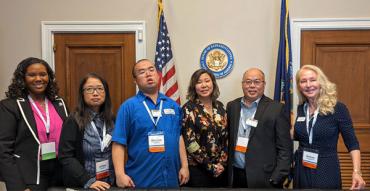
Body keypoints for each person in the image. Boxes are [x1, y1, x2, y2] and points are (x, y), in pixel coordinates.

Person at [112, 59, 189, 189]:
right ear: (135, 81)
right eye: (142, 72)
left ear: (158, 75)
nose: (148, 74)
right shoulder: (128, 107)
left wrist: (185, 166)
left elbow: (178, 136)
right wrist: (119, 174)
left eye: (151, 70)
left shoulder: (173, 105)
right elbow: (118, 142)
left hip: (172, 179)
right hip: (141, 179)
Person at [0, 57, 68, 190]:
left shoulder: (59, 103)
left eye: (43, 74)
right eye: (32, 75)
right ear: (22, 78)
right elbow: (3, 151)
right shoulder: (10, 106)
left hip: (59, 173)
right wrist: (18, 186)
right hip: (29, 175)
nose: (38, 79)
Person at [293, 65, 366, 189]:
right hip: (302, 168)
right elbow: (301, 135)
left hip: (326, 167)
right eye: (303, 81)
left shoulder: (337, 109)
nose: (308, 85)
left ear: (321, 82)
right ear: (299, 86)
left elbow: (352, 143)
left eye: (312, 80)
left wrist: (356, 172)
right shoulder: (301, 108)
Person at [226, 68, 292, 188]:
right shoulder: (232, 106)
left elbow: (285, 148)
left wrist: (277, 177)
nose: (252, 86)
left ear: (264, 84)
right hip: (235, 175)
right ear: (242, 84)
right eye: (248, 82)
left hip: (264, 178)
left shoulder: (276, 109)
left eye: (257, 82)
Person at [59, 73, 115, 190]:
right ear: (82, 94)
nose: (95, 93)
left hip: (109, 183)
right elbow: (66, 156)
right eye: (89, 89)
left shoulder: (112, 119)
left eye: (100, 88)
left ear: (106, 93)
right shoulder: (73, 120)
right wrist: (87, 181)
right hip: (83, 185)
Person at [182, 69, 228, 187]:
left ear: (213, 83)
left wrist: (222, 163)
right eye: (199, 82)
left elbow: (226, 138)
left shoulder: (220, 107)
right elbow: (190, 143)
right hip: (198, 170)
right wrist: (210, 166)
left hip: (220, 170)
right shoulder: (188, 108)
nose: (204, 85)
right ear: (194, 87)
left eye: (207, 81)